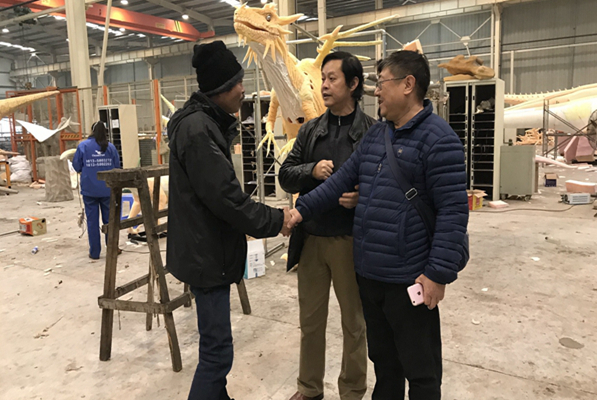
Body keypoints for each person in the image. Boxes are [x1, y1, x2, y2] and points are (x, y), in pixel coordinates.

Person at [286, 50, 469, 400]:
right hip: (371, 276)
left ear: (408, 85)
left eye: (383, 83)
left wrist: (437, 274)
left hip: (410, 277)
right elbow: (339, 182)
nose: (377, 91)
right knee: (385, 365)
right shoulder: (376, 136)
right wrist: (299, 212)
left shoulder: (439, 139)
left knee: (421, 371)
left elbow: (453, 213)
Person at [166, 40, 291, 400]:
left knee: (216, 345)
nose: (242, 90)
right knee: (217, 353)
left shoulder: (205, 124)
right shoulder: (198, 131)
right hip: (206, 256)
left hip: (207, 252)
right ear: (220, 89)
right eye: (237, 83)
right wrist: (276, 220)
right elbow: (227, 199)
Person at [279, 51, 376, 400]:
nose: (324, 85)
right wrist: (312, 170)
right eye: (323, 78)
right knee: (311, 321)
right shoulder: (310, 131)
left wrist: (363, 196)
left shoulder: (372, 132)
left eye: (333, 78)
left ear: (353, 83)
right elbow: (285, 176)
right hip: (312, 240)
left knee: (354, 323)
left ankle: (352, 390)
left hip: (351, 241)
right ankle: (309, 388)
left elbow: (387, 185)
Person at [72, 121, 120, 260]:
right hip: (107, 189)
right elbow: (117, 167)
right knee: (109, 220)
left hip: (89, 190)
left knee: (92, 222)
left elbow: (76, 166)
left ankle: (94, 253)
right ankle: (112, 248)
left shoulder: (83, 146)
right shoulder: (110, 147)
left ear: (91, 131)